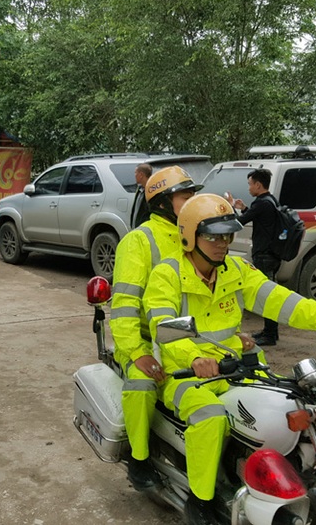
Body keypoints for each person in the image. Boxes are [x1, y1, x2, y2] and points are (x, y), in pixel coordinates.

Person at [143, 194, 316, 525]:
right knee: (210, 419)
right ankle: (202, 500)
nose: (223, 243)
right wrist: (194, 357)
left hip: (236, 368)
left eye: (227, 235)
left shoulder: (235, 270)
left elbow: (281, 300)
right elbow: (162, 324)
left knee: (290, 408)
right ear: (190, 235)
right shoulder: (168, 274)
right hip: (184, 375)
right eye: (213, 236)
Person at [109, 165, 202, 490]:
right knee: (142, 386)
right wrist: (137, 353)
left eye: (193, 195)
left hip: (186, 335)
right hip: (145, 339)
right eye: (185, 196)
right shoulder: (139, 241)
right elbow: (124, 305)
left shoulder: (193, 235)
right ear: (163, 201)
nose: (192, 202)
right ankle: (139, 458)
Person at [226, 169, 282, 346]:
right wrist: (244, 208)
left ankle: (270, 335)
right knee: (268, 293)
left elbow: (237, 223)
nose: (249, 188)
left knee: (267, 295)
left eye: (250, 184)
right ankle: (269, 331)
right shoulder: (269, 200)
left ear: (258, 184)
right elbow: (259, 218)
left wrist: (231, 206)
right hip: (271, 253)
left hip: (265, 255)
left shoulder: (262, 203)